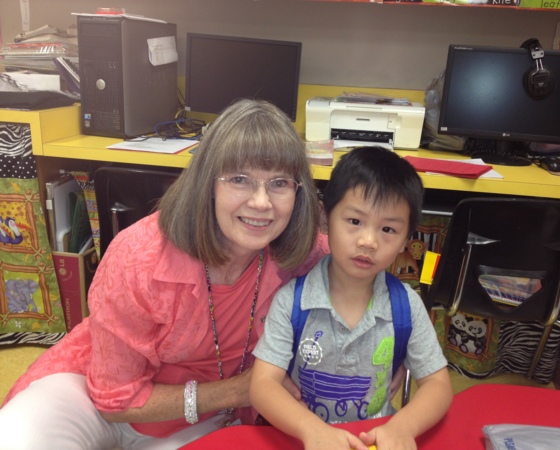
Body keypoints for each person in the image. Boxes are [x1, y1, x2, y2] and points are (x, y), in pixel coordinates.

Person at [0, 99, 329, 450]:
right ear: (208, 184)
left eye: (279, 183)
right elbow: (114, 399)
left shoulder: (304, 252)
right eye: (239, 179)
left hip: (206, 419)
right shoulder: (139, 256)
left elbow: (359, 256)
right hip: (93, 394)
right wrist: (240, 390)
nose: (261, 202)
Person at [250, 146, 453, 450]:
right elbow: (263, 384)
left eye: (388, 229)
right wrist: (310, 430)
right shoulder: (292, 301)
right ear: (325, 218)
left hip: (374, 439)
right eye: (355, 221)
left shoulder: (406, 306)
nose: (368, 241)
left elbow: (438, 384)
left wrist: (403, 427)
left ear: (405, 240)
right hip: (303, 439)